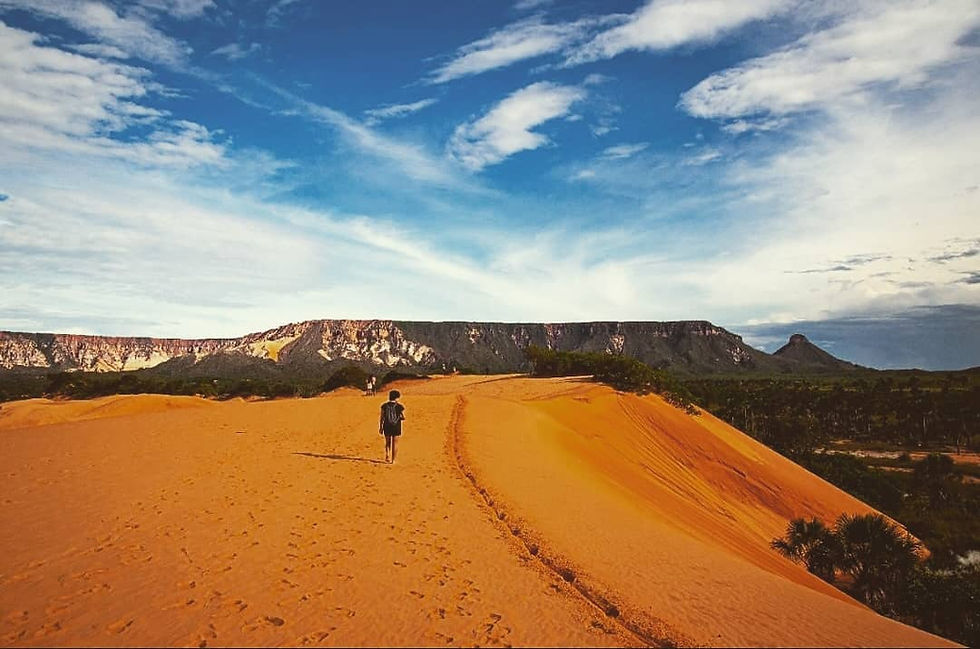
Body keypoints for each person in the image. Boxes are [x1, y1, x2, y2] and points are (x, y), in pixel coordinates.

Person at [379, 389, 405, 464]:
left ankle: (387, 455)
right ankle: (393, 460)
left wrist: (380, 427)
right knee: (395, 443)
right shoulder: (400, 406)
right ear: (396, 397)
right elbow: (402, 416)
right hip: (396, 426)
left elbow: (382, 417)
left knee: (387, 442)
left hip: (387, 425)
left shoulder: (384, 406)